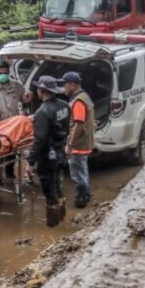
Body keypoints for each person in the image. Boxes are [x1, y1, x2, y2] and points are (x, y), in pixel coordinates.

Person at [26, 76, 70, 227]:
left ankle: (54, 225)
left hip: (48, 156)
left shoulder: (43, 112)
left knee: (49, 189)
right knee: (57, 183)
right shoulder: (64, 105)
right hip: (60, 151)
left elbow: (39, 140)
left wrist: (31, 162)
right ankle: (62, 215)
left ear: (42, 90)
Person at [62, 72, 94, 208]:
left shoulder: (78, 102)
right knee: (82, 170)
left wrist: (70, 144)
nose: (63, 88)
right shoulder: (85, 97)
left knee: (78, 174)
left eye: (65, 85)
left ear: (72, 85)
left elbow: (79, 124)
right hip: (85, 142)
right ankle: (86, 195)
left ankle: (81, 200)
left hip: (78, 145)